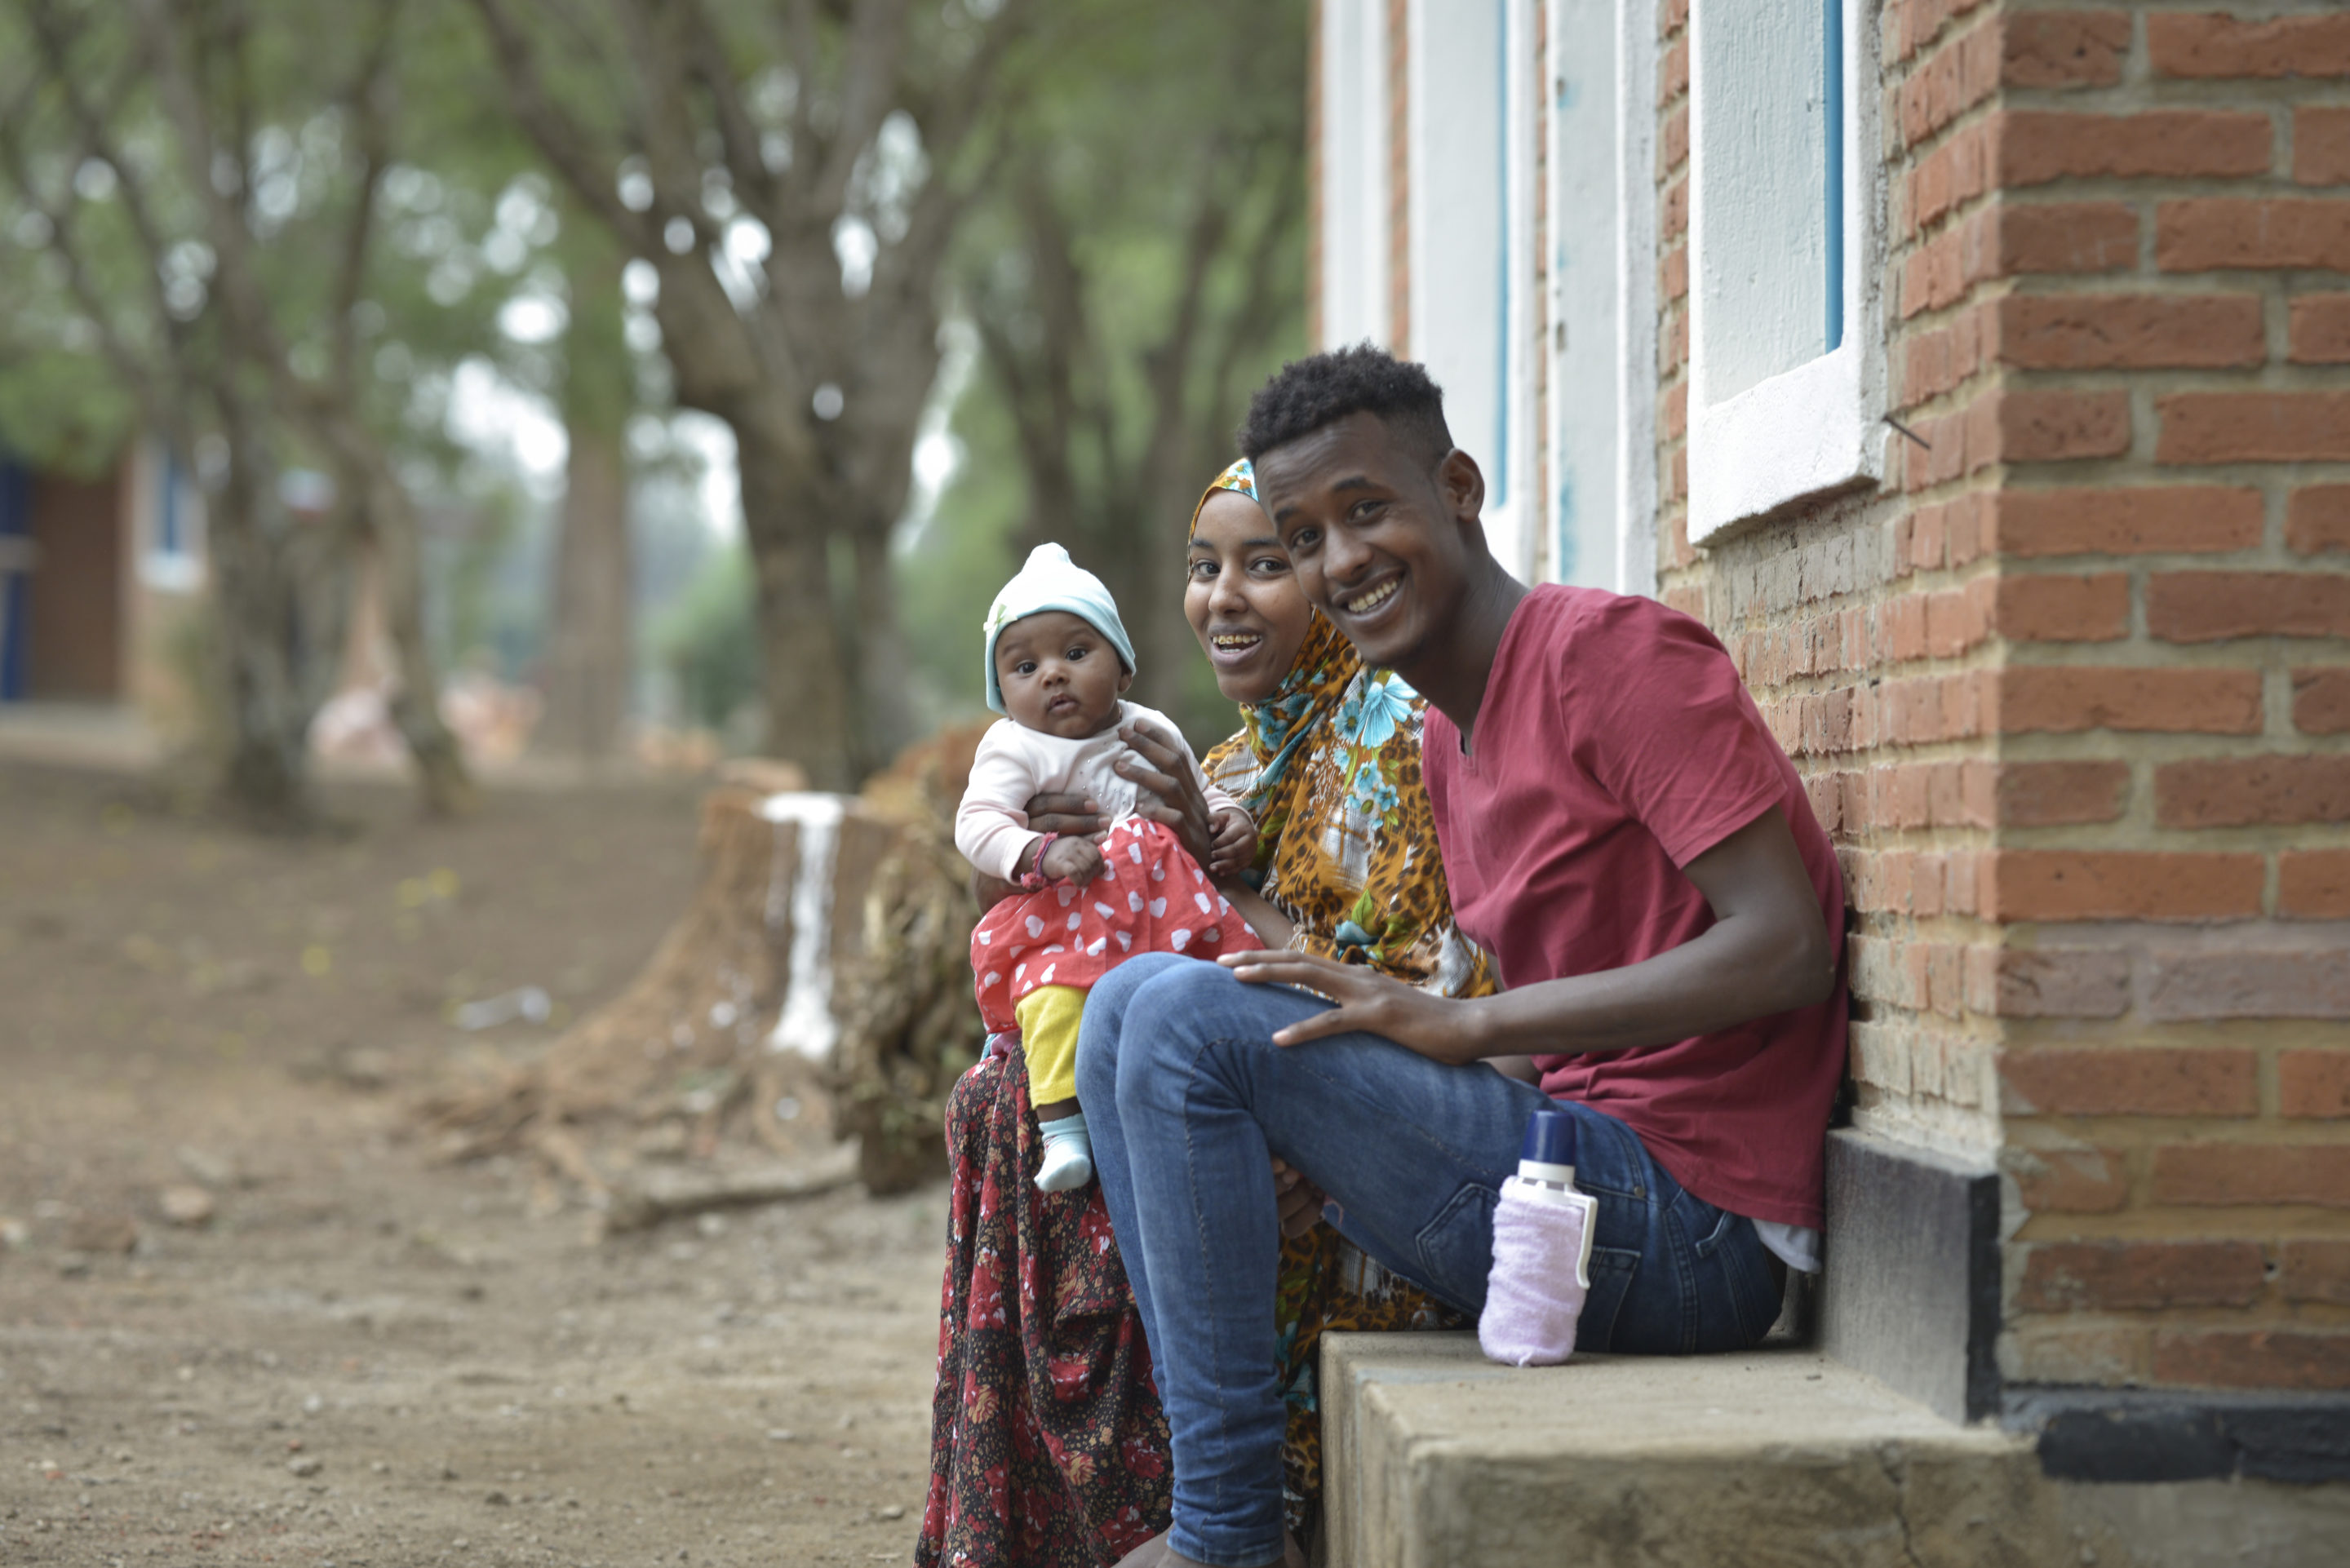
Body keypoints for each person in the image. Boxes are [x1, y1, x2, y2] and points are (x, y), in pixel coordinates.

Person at [1074, 347, 1848, 1568]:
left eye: (1366, 509)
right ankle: (1222, 1505)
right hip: (1562, 1177)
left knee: (1178, 1017)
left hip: (1699, 1227)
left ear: (1461, 488)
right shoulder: (1449, 738)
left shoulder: (1613, 655)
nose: (1340, 561)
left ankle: (1225, 1537)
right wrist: (1359, 1081)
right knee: (1125, 1007)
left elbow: (1788, 945)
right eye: (1303, 534)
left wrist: (1462, 1028)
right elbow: (1531, 1051)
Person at [916, 463, 1497, 1568]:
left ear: (1332, 579)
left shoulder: (1398, 735)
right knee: (1004, 1093)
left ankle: (1175, 1508)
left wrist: (1285, 1114)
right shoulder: (1216, 760)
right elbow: (1082, 947)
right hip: (1231, 1095)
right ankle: (1045, 1518)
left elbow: (1433, 990)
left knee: (1091, 1079)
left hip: (1381, 1127)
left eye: (1266, 563)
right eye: (1203, 567)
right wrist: (1031, 867)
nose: (1224, 596)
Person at [954, 543, 1261, 1192]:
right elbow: (976, 824)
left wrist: (1232, 819)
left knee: (1224, 964)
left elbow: (1203, 792)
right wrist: (1036, 852)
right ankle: (1063, 1129)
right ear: (1001, 694)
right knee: (1051, 999)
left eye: (1075, 653)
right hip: (1066, 919)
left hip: (1160, 918)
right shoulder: (1013, 746)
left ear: (1122, 669)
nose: (1053, 676)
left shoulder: (1148, 728)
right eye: (1025, 666)